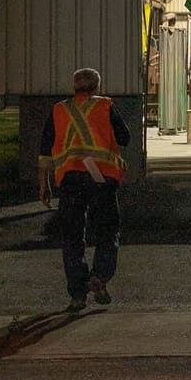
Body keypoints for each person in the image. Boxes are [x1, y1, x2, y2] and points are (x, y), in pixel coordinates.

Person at [39, 67, 130, 315]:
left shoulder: (59, 110)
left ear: (74, 88)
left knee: (72, 237)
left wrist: (43, 184)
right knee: (107, 231)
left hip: (70, 180)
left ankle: (77, 296)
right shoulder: (106, 106)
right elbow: (125, 138)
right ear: (98, 87)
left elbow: (45, 150)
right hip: (102, 179)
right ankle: (99, 276)